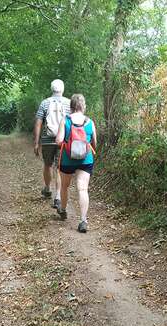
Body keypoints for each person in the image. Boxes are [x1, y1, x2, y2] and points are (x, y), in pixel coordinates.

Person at [55, 94, 97, 233]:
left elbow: (59, 141)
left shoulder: (65, 120)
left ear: (71, 106)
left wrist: (67, 141)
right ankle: (83, 220)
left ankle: (63, 210)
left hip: (67, 159)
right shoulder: (90, 122)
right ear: (83, 106)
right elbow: (94, 143)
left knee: (65, 187)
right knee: (83, 189)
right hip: (86, 159)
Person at [34, 79, 70, 209]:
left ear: (51, 89)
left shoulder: (45, 103)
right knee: (59, 168)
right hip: (62, 141)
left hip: (47, 139)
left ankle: (47, 188)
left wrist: (36, 142)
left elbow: (38, 122)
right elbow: (72, 123)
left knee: (47, 164)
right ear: (62, 89)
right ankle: (58, 197)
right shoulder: (68, 103)